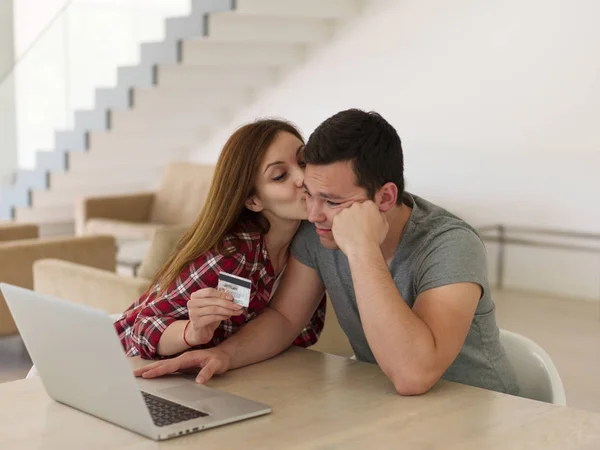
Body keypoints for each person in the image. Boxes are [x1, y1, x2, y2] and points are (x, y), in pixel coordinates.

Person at [135, 109, 519, 396]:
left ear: (385, 197)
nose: (315, 214)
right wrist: (225, 355)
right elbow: (285, 318)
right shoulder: (320, 229)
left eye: (332, 201)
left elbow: (413, 375)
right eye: (312, 195)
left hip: (484, 414)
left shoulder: (451, 244)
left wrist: (362, 249)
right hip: (396, 413)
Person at [114, 119, 326, 359]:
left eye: (303, 161)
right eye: (280, 176)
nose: (302, 178)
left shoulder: (313, 236)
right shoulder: (231, 255)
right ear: (253, 201)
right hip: (127, 362)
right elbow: (140, 329)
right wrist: (190, 332)